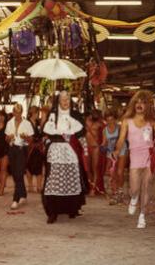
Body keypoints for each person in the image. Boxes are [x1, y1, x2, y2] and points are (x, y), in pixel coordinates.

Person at [114, 90, 155, 228]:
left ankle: (142, 216)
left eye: (143, 102)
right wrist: (116, 150)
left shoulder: (152, 122)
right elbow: (121, 139)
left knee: (145, 187)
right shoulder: (127, 121)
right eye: (137, 102)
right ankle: (134, 197)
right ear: (133, 104)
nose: (139, 104)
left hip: (149, 157)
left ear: (148, 106)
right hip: (134, 157)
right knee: (134, 188)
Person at [42, 91, 88, 224]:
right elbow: (46, 133)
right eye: (62, 99)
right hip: (56, 151)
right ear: (58, 101)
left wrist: (85, 150)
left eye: (67, 99)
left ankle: (71, 208)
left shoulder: (76, 115)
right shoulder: (52, 115)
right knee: (54, 181)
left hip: (70, 152)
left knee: (70, 179)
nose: (65, 101)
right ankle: (52, 212)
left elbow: (81, 134)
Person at [5, 103, 34, 210]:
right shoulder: (9, 123)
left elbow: (31, 140)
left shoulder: (27, 123)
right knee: (15, 174)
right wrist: (9, 138)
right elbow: (6, 139)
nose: (16, 115)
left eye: (18, 112)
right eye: (14, 112)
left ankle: (15, 199)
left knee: (19, 172)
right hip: (12, 149)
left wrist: (25, 137)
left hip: (22, 150)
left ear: (21, 112)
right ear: (13, 112)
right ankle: (23, 194)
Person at [101, 109, 128, 205]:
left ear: (115, 119)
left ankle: (120, 193)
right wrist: (102, 147)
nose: (110, 122)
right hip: (111, 152)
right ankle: (115, 193)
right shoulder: (105, 130)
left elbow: (123, 139)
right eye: (108, 120)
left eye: (112, 119)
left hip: (121, 150)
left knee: (120, 172)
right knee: (112, 173)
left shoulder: (120, 128)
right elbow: (105, 142)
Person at [85, 110, 104, 195]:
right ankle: (90, 186)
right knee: (88, 168)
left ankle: (93, 188)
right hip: (87, 146)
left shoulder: (99, 124)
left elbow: (104, 134)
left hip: (95, 147)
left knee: (95, 168)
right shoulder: (86, 121)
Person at [26, 106, 45, 193]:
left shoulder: (38, 123)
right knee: (29, 166)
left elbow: (41, 133)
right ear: (34, 113)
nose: (38, 115)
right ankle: (30, 185)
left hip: (38, 148)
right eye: (37, 113)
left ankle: (39, 186)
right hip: (30, 147)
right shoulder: (27, 122)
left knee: (39, 167)